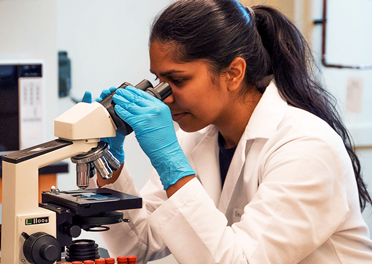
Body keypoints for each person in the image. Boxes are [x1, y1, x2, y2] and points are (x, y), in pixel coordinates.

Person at [83, 0, 372, 263]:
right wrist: (110, 166)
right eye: (158, 79)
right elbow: (139, 246)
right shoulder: (194, 138)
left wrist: (171, 165)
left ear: (233, 73)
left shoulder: (306, 147)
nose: (163, 96)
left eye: (177, 79)